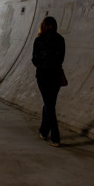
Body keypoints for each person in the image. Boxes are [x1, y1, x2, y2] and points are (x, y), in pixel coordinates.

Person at [31, 16, 66, 147]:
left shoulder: (39, 40)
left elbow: (35, 59)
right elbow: (61, 58)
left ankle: (55, 137)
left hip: (43, 75)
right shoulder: (60, 39)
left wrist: (42, 64)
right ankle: (43, 131)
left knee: (49, 105)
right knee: (49, 103)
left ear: (43, 26)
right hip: (56, 75)